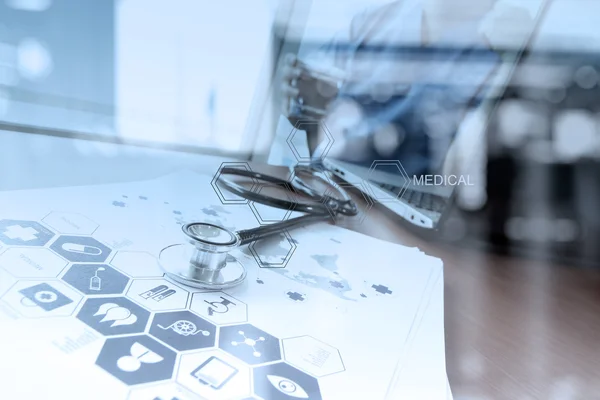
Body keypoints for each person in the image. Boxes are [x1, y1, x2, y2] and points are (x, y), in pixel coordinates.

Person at [278, 0, 533, 177]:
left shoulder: (492, 58)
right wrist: (304, 114)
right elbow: (306, 115)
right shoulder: (370, 24)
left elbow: (466, 166)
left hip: (410, 214)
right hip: (333, 185)